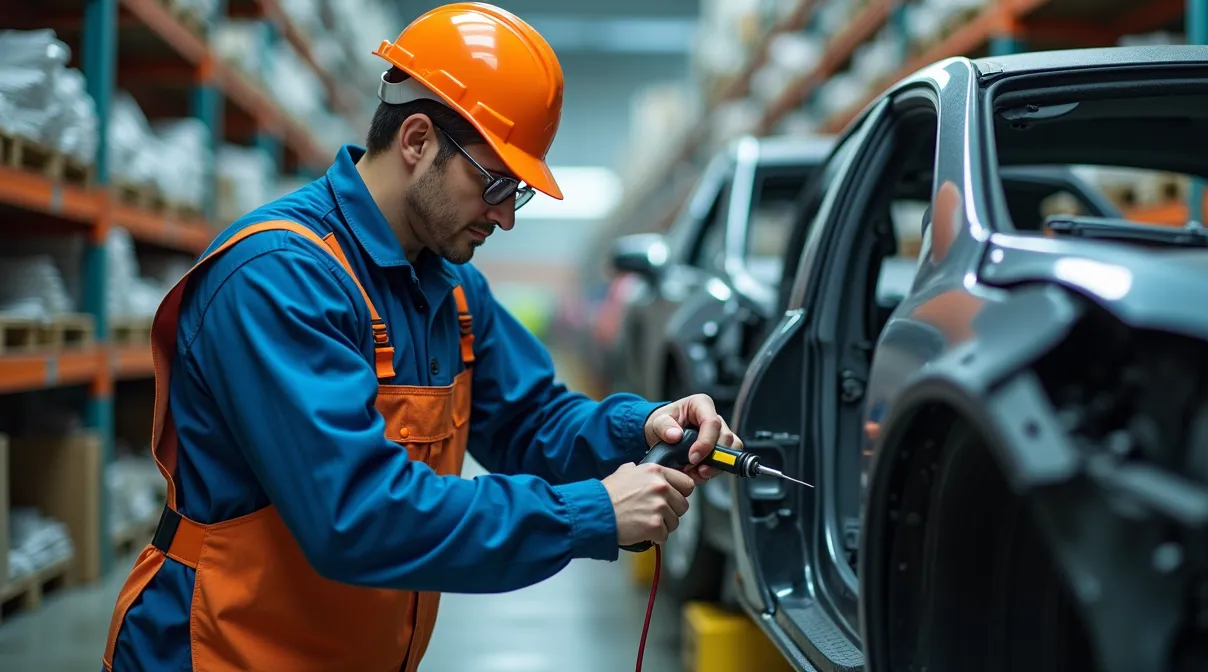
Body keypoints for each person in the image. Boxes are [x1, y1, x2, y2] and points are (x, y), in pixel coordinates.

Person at [99, 4, 741, 671]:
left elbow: (531, 420)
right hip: (221, 649)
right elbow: (355, 514)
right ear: (416, 141)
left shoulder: (452, 290)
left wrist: (645, 427)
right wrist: (590, 512)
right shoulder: (279, 278)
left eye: (516, 193)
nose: (504, 217)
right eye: (494, 182)